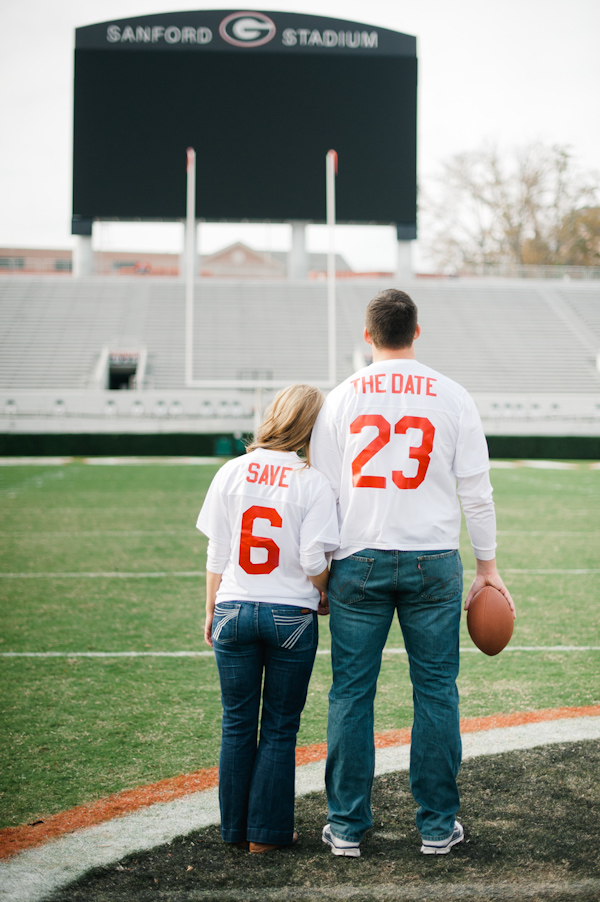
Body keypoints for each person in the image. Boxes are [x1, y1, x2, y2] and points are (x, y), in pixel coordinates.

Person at [310, 288, 515, 858]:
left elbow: (324, 494)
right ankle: (435, 826)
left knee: (352, 693)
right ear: (417, 332)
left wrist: (322, 573)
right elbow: (476, 492)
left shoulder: (343, 397)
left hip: (359, 558)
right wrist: (488, 567)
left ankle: (347, 827)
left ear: (368, 335)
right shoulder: (451, 395)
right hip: (432, 560)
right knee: (436, 693)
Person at [197, 383, 339, 854]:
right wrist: (323, 592)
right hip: (290, 617)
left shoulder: (231, 472)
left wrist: (211, 609)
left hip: (233, 607)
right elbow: (313, 558)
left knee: (236, 722)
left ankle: (234, 831)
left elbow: (217, 552)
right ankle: (267, 835)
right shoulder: (314, 481)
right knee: (280, 726)